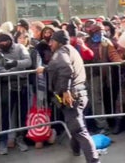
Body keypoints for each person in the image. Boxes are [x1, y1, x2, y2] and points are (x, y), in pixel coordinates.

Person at [36, 30, 100, 163]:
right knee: (76, 125)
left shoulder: (61, 52)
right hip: (80, 93)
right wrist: (46, 69)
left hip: (72, 96)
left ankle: (94, 160)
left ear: (58, 42)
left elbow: (66, 69)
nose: (50, 44)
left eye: (52, 41)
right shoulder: (71, 50)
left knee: (79, 129)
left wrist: (65, 90)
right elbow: (61, 67)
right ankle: (75, 150)